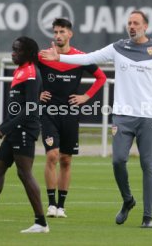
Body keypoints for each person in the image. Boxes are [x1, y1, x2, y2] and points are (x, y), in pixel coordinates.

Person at [40, 10, 152, 228]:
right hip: (122, 116)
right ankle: (128, 200)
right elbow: (88, 58)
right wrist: (60, 57)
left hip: (148, 116)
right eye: (129, 23)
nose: (131, 26)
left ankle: (147, 217)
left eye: (136, 23)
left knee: (148, 166)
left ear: (145, 27)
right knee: (118, 160)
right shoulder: (118, 47)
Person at [38, 18, 106, 218]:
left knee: (66, 160)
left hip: (70, 115)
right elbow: (27, 74)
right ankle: (50, 204)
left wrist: (86, 96)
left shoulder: (80, 58)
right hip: (49, 113)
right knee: (52, 155)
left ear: (70, 34)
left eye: (62, 31)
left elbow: (101, 77)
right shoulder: (43, 56)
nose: (58, 35)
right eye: (55, 32)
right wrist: (36, 95)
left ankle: (61, 207)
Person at [0, 37, 49, 233]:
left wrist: (1, 130)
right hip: (14, 130)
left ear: (27, 52)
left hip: (26, 130)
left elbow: (29, 109)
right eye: (12, 49)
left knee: (24, 173)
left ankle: (41, 222)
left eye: (17, 50)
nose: (12, 53)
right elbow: (15, 111)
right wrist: (0, 130)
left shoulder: (31, 73)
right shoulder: (20, 71)